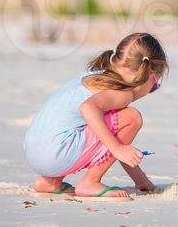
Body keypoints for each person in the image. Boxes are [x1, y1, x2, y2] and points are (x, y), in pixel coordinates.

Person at [24, 32, 167, 198]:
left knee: (87, 125)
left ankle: (50, 182)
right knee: (132, 118)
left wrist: (141, 180)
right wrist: (117, 148)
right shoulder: (123, 93)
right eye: (155, 85)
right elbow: (88, 108)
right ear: (150, 75)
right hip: (56, 154)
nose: (152, 90)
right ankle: (90, 181)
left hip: (34, 149)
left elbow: (119, 140)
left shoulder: (95, 77)